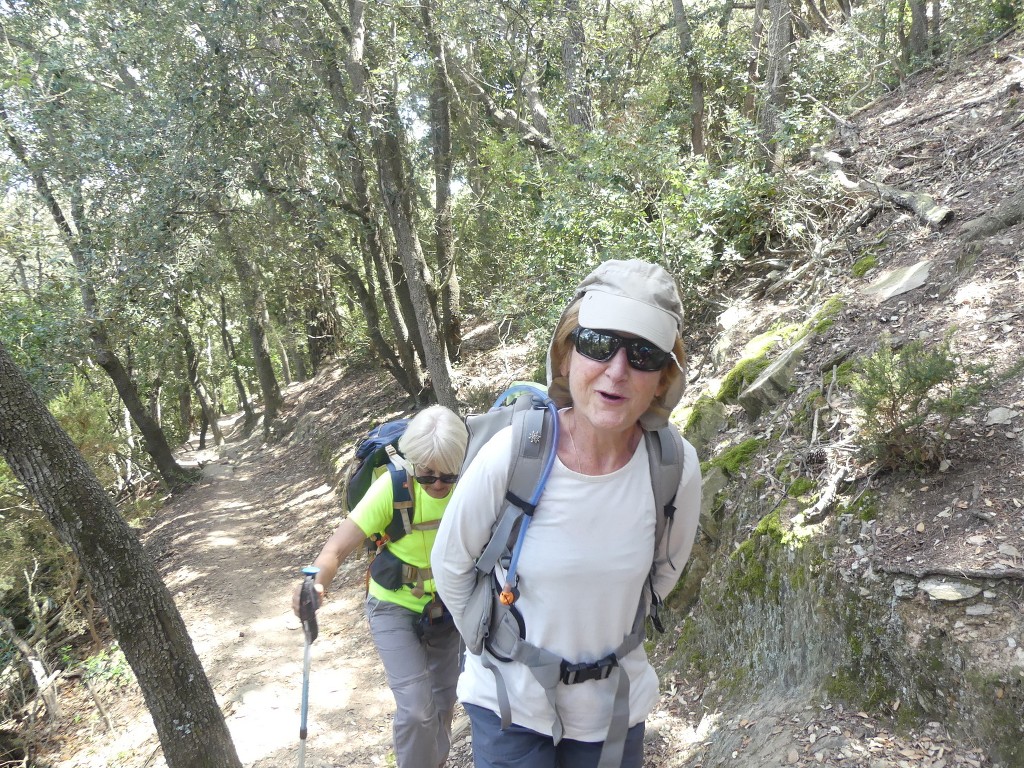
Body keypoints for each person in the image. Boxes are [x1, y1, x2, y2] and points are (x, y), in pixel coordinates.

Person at [432, 259, 702, 768]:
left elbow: (663, 573)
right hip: (508, 701)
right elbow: (451, 566)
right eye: (599, 344)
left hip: (612, 707)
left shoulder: (673, 467)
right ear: (567, 354)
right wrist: (499, 647)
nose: (617, 370)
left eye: (643, 354)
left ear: (664, 378)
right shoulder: (514, 454)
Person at [293, 405, 469, 768]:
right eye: (427, 474)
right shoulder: (393, 487)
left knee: (443, 703)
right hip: (392, 605)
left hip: (448, 606)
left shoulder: (471, 484)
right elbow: (337, 547)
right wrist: (315, 583)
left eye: (447, 476)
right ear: (414, 462)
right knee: (418, 708)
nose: (437, 484)